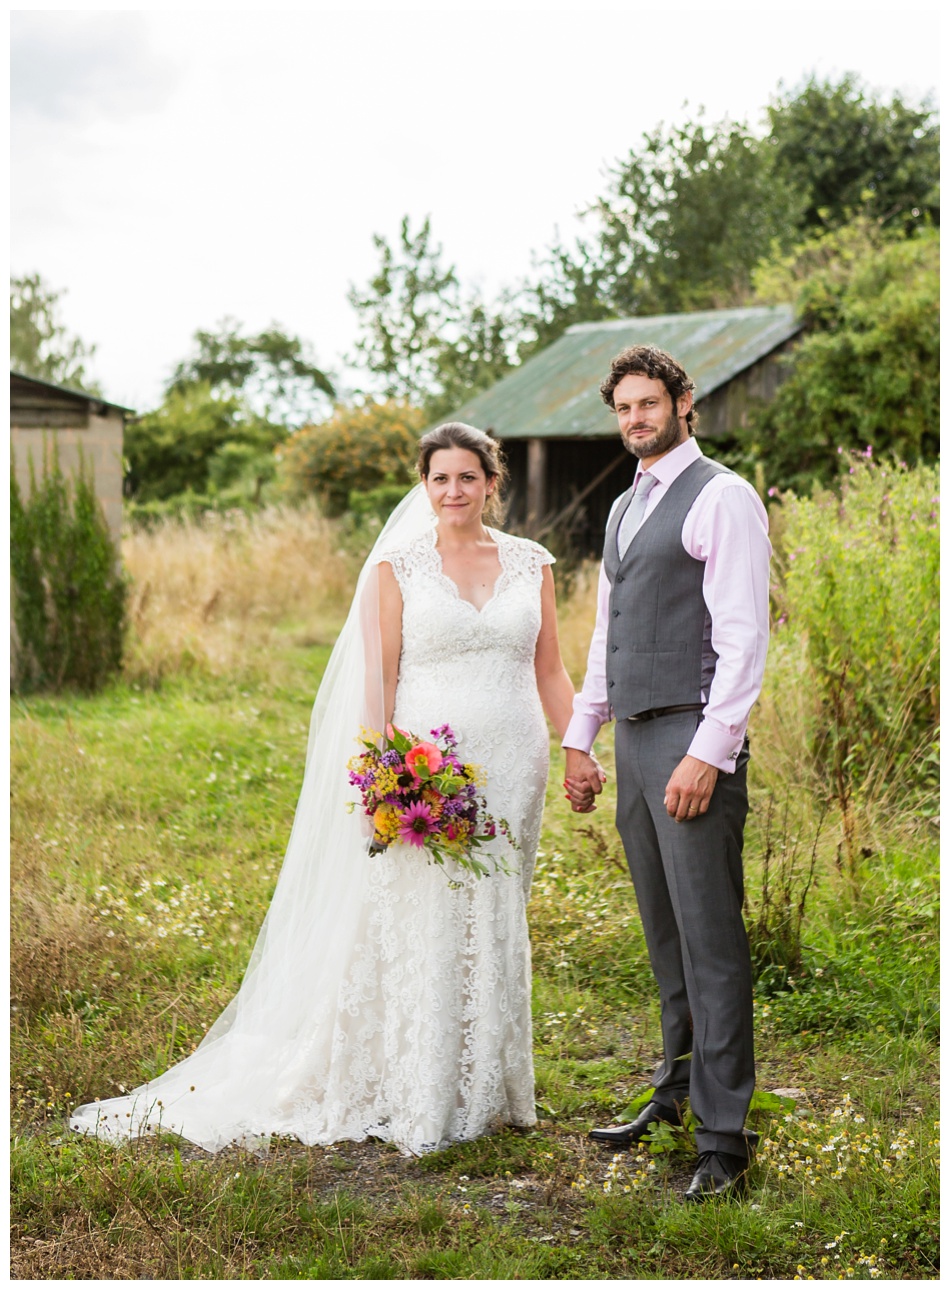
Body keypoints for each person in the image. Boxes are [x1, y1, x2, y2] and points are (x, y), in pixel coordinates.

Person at [71, 422, 576, 1157]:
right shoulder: (396, 570)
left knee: (496, 915)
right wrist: (387, 777)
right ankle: (419, 1087)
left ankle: (487, 1088)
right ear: (424, 486)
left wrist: (580, 747)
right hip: (428, 767)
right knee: (424, 920)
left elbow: (551, 670)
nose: (454, 491)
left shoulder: (533, 565)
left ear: (492, 483)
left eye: (468, 477)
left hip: (514, 763)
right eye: (440, 479)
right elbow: (379, 680)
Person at [563, 345, 771, 1201]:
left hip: (692, 740)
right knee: (664, 933)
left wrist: (708, 752)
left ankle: (725, 1136)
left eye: (649, 404)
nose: (635, 419)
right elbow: (609, 637)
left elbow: (745, 638)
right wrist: (581, 736)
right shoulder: (622, 508)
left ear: (685, 403)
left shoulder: (721, 498)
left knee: (712, 940)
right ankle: (680, 1089)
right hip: (634, 742)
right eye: (623, 408)